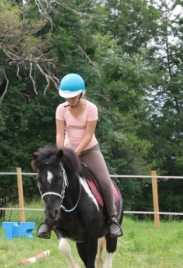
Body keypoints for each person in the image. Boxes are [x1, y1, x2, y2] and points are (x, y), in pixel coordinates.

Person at [36, 74, 123, 239]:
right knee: (53, 182)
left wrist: (75, 155)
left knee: (104, 182)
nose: (69, 100)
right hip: (66, 151)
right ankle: (48, 222)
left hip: (89, 150)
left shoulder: (91, 108)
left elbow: (88, 135)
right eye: (67, 97)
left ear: (81, 93)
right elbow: (60, 134)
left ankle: (112, 219)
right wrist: (61, 153)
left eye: (73, 97)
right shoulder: (61, 109)